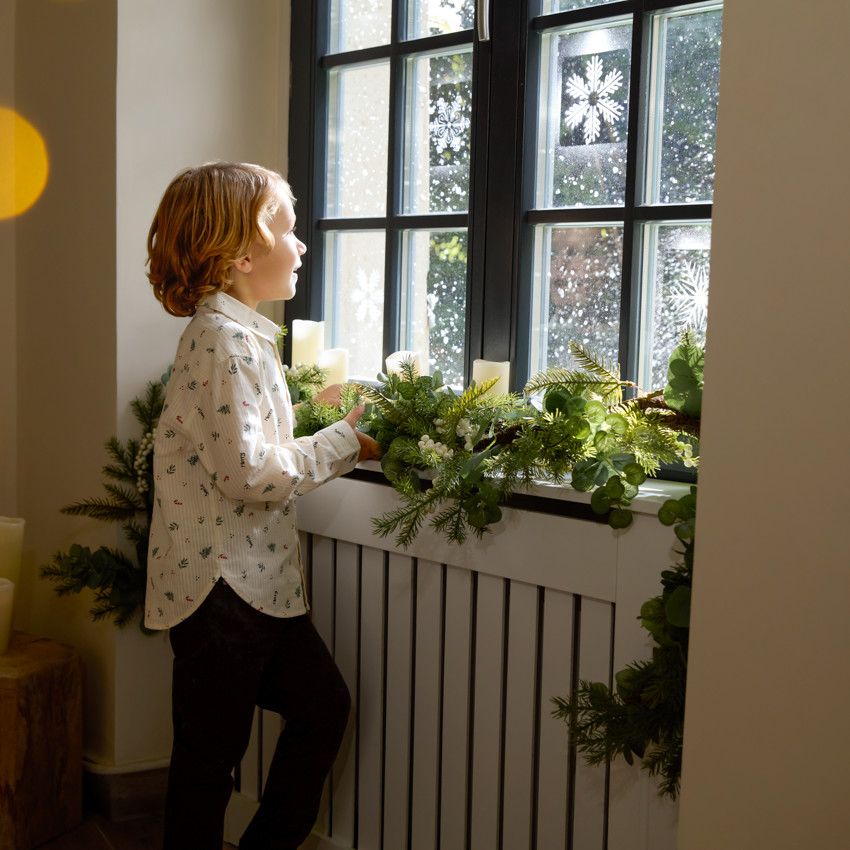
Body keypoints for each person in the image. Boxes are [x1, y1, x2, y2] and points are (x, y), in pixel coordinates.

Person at [144, 161, 379, 850]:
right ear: (240, 254)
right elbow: (248, 472)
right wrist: (346, 444)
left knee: (322, 709)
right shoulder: (223, 340)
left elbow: (245, 442)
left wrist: (314, 419)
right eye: (288, 229)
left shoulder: (242, 338)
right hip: (220, 593)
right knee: (206, 766)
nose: (302, 244)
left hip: (255, 588)